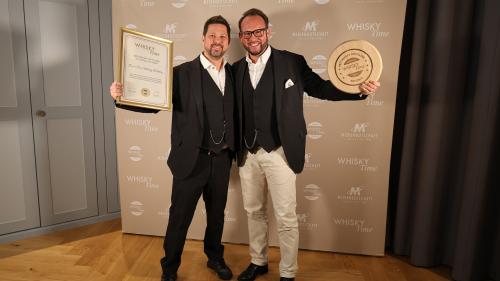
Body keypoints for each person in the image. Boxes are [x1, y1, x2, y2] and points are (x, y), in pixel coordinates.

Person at [232, 8, 380, 281]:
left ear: (268, 31)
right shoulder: (235, 69)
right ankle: (258, 261)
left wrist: (357, 89)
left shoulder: (292, 62)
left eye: (259, 31)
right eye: (247, 33)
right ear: (241, 37)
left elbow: (321, 88)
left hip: (281, 151)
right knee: (254, 212)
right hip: (247, 152)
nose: (254, 37)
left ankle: (288, 273)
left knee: (286, 216)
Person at [109, 15, 235, 281]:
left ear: (228, 41)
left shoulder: (234, 74)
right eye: (212, 35)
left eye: (222, 36)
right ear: (203, 39)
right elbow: (151, 102)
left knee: (216, 216)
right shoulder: (180, 74)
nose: (217, 41)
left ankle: (215, 257)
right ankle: (169, 268)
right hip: (191, 159)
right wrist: (122, 96)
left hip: (222, 159)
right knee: (179, 219)